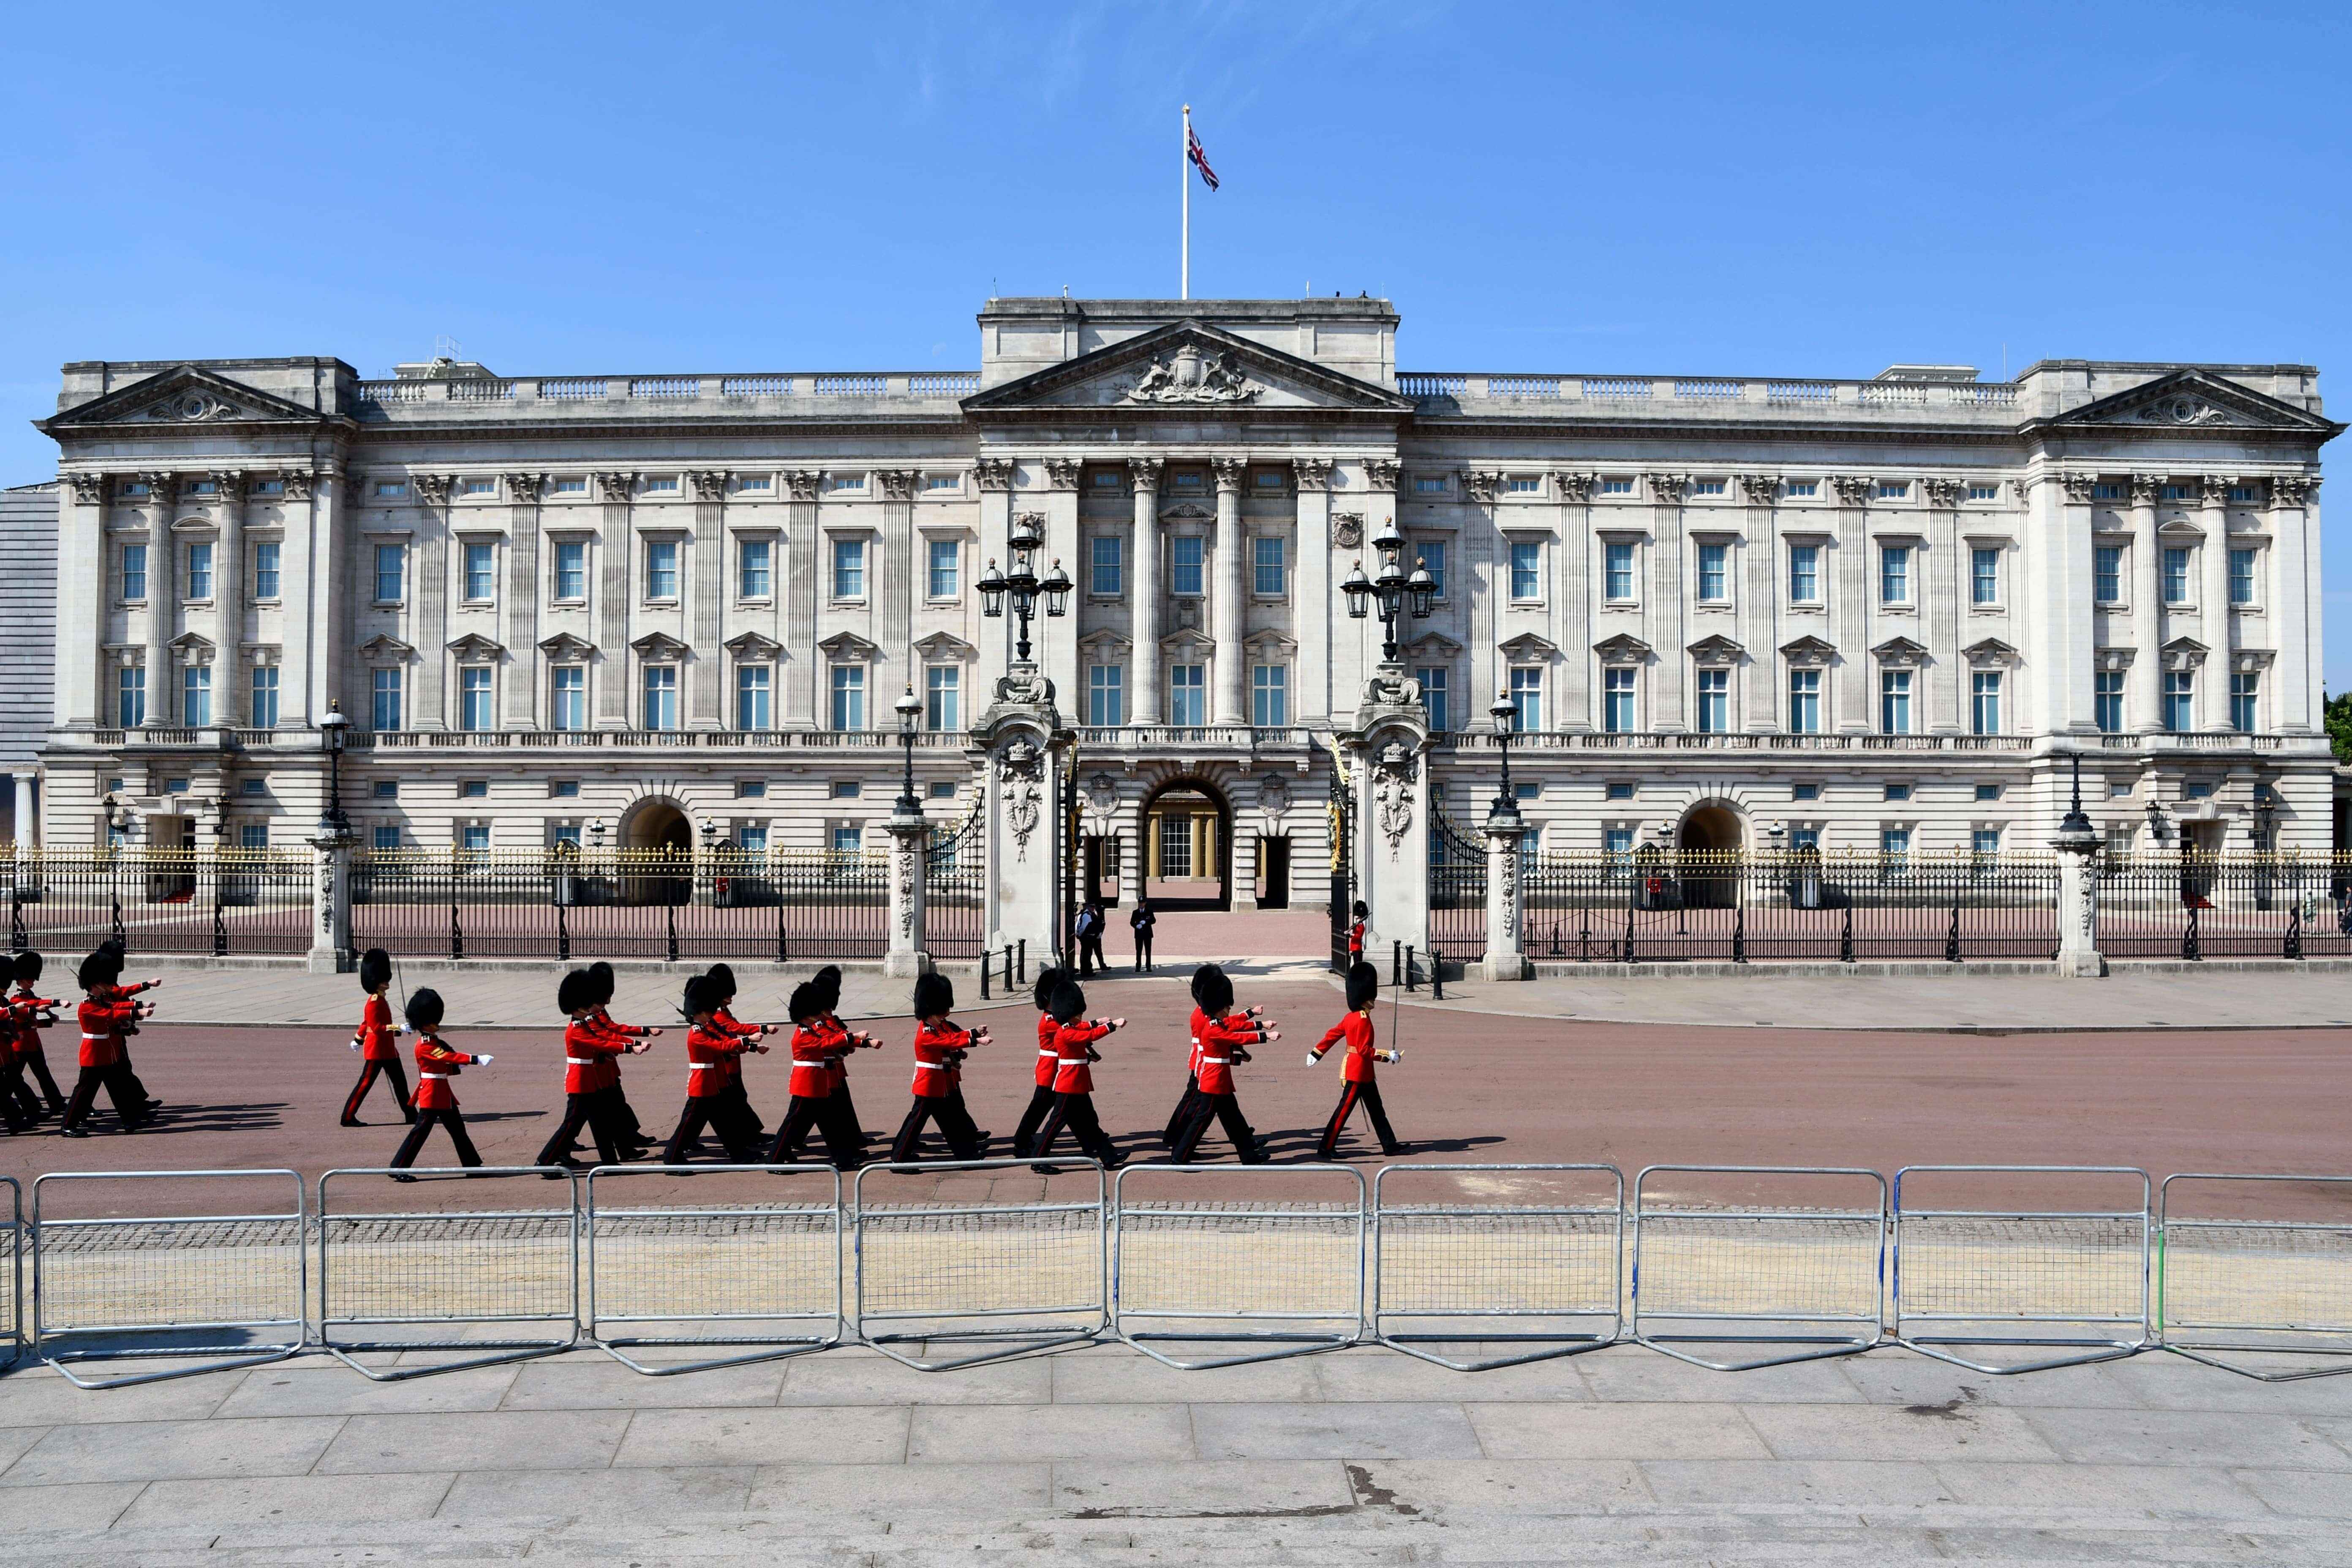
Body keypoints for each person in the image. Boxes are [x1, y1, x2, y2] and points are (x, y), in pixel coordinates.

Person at [534, 968, 645, 1175]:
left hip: (590, 1081)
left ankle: (610, 1164)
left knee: (600, 1124)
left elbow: (600, 1041)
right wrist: (630, 1048)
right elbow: (598, 1042)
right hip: (581, 1083)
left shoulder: (584, 1023)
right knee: (571, 1125)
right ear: (578, 1006)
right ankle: (544, 1161)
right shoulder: (576, 1028)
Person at [1171, 964, 1276, 1164]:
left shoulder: (1217, 1021)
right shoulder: (1211, 1027)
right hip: (1213, 1081)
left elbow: (1233, 1024)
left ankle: (1249, 1156)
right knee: (1201, 1120)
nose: (1229, 1008)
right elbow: (1237, 1037)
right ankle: (1179, 1156)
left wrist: (1253, 1016)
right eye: (1226, 1005)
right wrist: (1265, 1036)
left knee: (1234, 1120)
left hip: (1220, 1079)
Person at [661, 973, 766, 1165]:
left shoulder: (705, 1028)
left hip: (714, 1082)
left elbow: (724, 1041)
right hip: (702, 1084)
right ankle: (672, 1157)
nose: (712, 1013)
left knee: (723, 1122)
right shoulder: (696, 1034)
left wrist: (750, 1047)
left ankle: (738, 1154)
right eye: (708, 1011)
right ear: (699, 1012)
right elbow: (721, 1047)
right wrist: (747, 1039)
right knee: (689, 1125)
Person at [889, 972, 991, 1163]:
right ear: (932, 1008)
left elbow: (951, 1036)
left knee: (948, 1122)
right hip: (929, 1084)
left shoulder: (937, 1026)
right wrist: (976, 1040)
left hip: (939, 1083)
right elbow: (948, 1040)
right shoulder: (926, 1033)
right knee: (916, 1122)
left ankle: (965, 1156)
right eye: (943, 1009)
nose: (947, 1013)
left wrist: (974, 1032)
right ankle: (899, 1158)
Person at [388, 988, 490, 1176]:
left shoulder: (433, 1041)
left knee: (459, 1130)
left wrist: (458, 1067)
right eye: (434, 1020)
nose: (438, 1024)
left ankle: (472, 1167)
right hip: (432, 1094)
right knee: (420, 1133)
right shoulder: (426, 1045)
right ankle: (398, 1167)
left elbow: (443, 1066)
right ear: (425, 1023)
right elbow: (445, 1057)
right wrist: (475, 1059)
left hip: (443, 1093)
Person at [1309, 961, 1405, 1159]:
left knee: (1377, 1111)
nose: (1373, 1000)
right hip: (1357, 1072)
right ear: (1365, 997)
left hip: (1365, 1073)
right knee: (1343, 1111)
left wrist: (1317, 1053)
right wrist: (1388, 1056)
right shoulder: (1362, 1019)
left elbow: (1332, 1035)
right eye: (1371, 997)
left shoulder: (1351, 1017)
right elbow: (1363, 1050)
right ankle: (1326, 1147)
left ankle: (1389, 1144)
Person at [765, 980, 864, 1170]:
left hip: (818, 1084)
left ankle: (844, 1160)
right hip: (807, 1085)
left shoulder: (811, 1029)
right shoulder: (802, 1034)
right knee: (792, 1124)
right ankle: (774, 1160)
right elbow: (824, 1045)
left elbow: (828, 1040)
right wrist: (851, 1037)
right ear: (807, 1013)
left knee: (829, 1124)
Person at [1028, 980, 1126, 1171]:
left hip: (1078, 1084)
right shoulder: (1065, 1033)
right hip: (1068, 1086)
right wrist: (1112, 1026)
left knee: (1091, 1123)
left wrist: (1098, 1023)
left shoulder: (1069, 1028)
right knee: (1055, 1125)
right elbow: (1088, 1036)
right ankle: (1038, 1160)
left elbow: (1083, 1030)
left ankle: (1109, 1157)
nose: (1081, 1016)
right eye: (1078, 1013)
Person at [62, 944, 154, 1137]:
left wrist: (140, 1004)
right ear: (95, 983)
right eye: (105, 981)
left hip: (108, 1053)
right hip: (94, 1056)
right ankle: (68, 1125)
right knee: (83, 1093)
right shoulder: (86, 1007)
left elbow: (115, 1004)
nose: (110, 985)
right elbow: (111, 1014)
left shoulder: (101, 1000)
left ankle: (131, 1122)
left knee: (118, 1090)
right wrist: (137, 1011)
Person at [581, 961, 656, 1155]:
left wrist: (644, 1032)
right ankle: (564, 1146)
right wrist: (633, 1045)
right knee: (587, 1113)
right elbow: (607, 1036)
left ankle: (627, 1142)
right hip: (597, 1070)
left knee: (615, 1105)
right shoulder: (589, 1016)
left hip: (607, 1067)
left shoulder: (598, 1010)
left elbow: (613, 1028)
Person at [341, 947, 414, 1127]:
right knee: (365, 1084)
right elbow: (377, 1027)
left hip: (388, 1050)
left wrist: (358, 1039)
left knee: (401, 1084)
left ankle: (412, 1115)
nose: (387, 982)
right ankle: (348, 1116)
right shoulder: (374, 1003)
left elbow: (366, 1024)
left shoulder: (380, 999)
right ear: (376, 981)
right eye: (383, 979)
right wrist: (400, 1028)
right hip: (377, 1051)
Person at [807, 965, 874, 1153]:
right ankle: (846, 1147)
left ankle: (852, 1139)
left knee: (841, 1106)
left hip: (836, 1069)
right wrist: (854, 1042)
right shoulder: (819, 1022)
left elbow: (843, 1035)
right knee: (825, 1112)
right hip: (825, 1071)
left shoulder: (831, 1018)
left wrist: (856, 1043)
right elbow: (832, 1040)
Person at [1011, 966, 1066, 1158]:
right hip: (1050, 1070)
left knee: (1061, 1108)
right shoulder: (1050, 1020)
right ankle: (1020, 1142)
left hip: (1058, 1069)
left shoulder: (1057, 1017)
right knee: (1038, 1109)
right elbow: (1074, 1032)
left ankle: (1093, 1139)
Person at [10, 952, 66, 1120]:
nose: (33, 982)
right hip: (20, 1045)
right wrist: (54, 1003)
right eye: (30, 979)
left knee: (44, 1075)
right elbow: (27, 1012)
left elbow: (32, 1023)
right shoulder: (15, 999)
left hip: (33, 1044)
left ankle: (56, 1103)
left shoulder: (30, 996)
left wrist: (49, 1021)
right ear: (21, 980)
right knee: (13, 1078)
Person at [1075, 901, 1106, 977]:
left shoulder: (1090, 914)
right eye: (1092, 907)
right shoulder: (1087, 916)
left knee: (1087, 955)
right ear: (1088, 907)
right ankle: (1086, 971)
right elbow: (1083, 927)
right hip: (1087, 938)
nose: (1093, 908)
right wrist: (1080, 935)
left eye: (1094, 907)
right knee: (1086, 955)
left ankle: (1087, 970)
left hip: (1090, 937)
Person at [1130, 898, 1157, 972]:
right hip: (1139, 934)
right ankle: (1138, 966)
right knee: (1139, 951)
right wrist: (1136, 926)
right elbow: (1132, 922)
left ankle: (1148, 966)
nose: (1141, 904)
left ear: (1145, 903)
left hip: (1148, 934)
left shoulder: (1149, 912)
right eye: (1140, 903)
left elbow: (1154, 921)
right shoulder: (1135, 912)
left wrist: (1146, 922)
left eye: (1142, 903)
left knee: (1148, 951)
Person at [1348, 900, 1369, 964]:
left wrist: (1350, 936)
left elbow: (1358, 937)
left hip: (1357, 947)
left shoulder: (1360, 926)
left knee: (1357, 964)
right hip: (1355, 947)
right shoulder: (1357, 925)